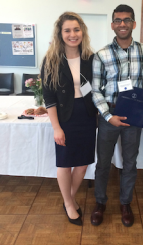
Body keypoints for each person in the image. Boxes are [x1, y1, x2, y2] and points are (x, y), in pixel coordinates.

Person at [91, 4, 143, 227]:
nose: (122, 24)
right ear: (112, 25)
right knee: (103, 163)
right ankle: (100, 202)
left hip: (133, 116)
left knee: (130, 163)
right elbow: (96, 90)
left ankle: (125, 203)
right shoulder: (101, 54)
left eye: (127, 20)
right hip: (109, 114)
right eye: (118, 20)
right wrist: (108, 116)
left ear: (134, 24)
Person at [40, 12, 97, 226]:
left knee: (82, 164)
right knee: (65, 164)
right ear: (60, 33)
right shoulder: (51, 61)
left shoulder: (90, 58)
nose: (72, 34)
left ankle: (69, 199)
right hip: (64, 117)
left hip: (87, 115)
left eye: (76, 29)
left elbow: (94, 89)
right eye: (67, 30)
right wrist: (56, 127)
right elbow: (49, 98)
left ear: (82, 31)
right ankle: (69, 203)